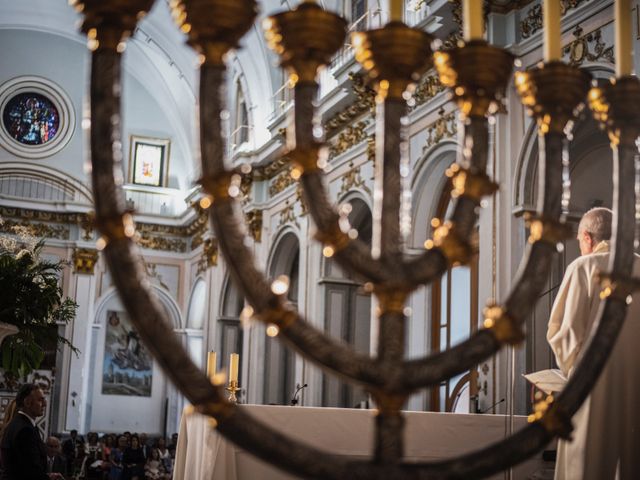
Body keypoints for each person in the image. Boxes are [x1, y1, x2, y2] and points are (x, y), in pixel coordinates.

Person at [547, 207, 640, 479]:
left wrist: (570, 372)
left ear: (587, 237)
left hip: (591, 389)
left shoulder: (583, 267)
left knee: (586, 463)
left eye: (579, 241)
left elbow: (564, 334)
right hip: (636, 385)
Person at [0, 383, 63, 479]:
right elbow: (31, 472)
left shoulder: (18, 423)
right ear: (27, 402)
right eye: (40, 400)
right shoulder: (25, 430)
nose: (45, 404)